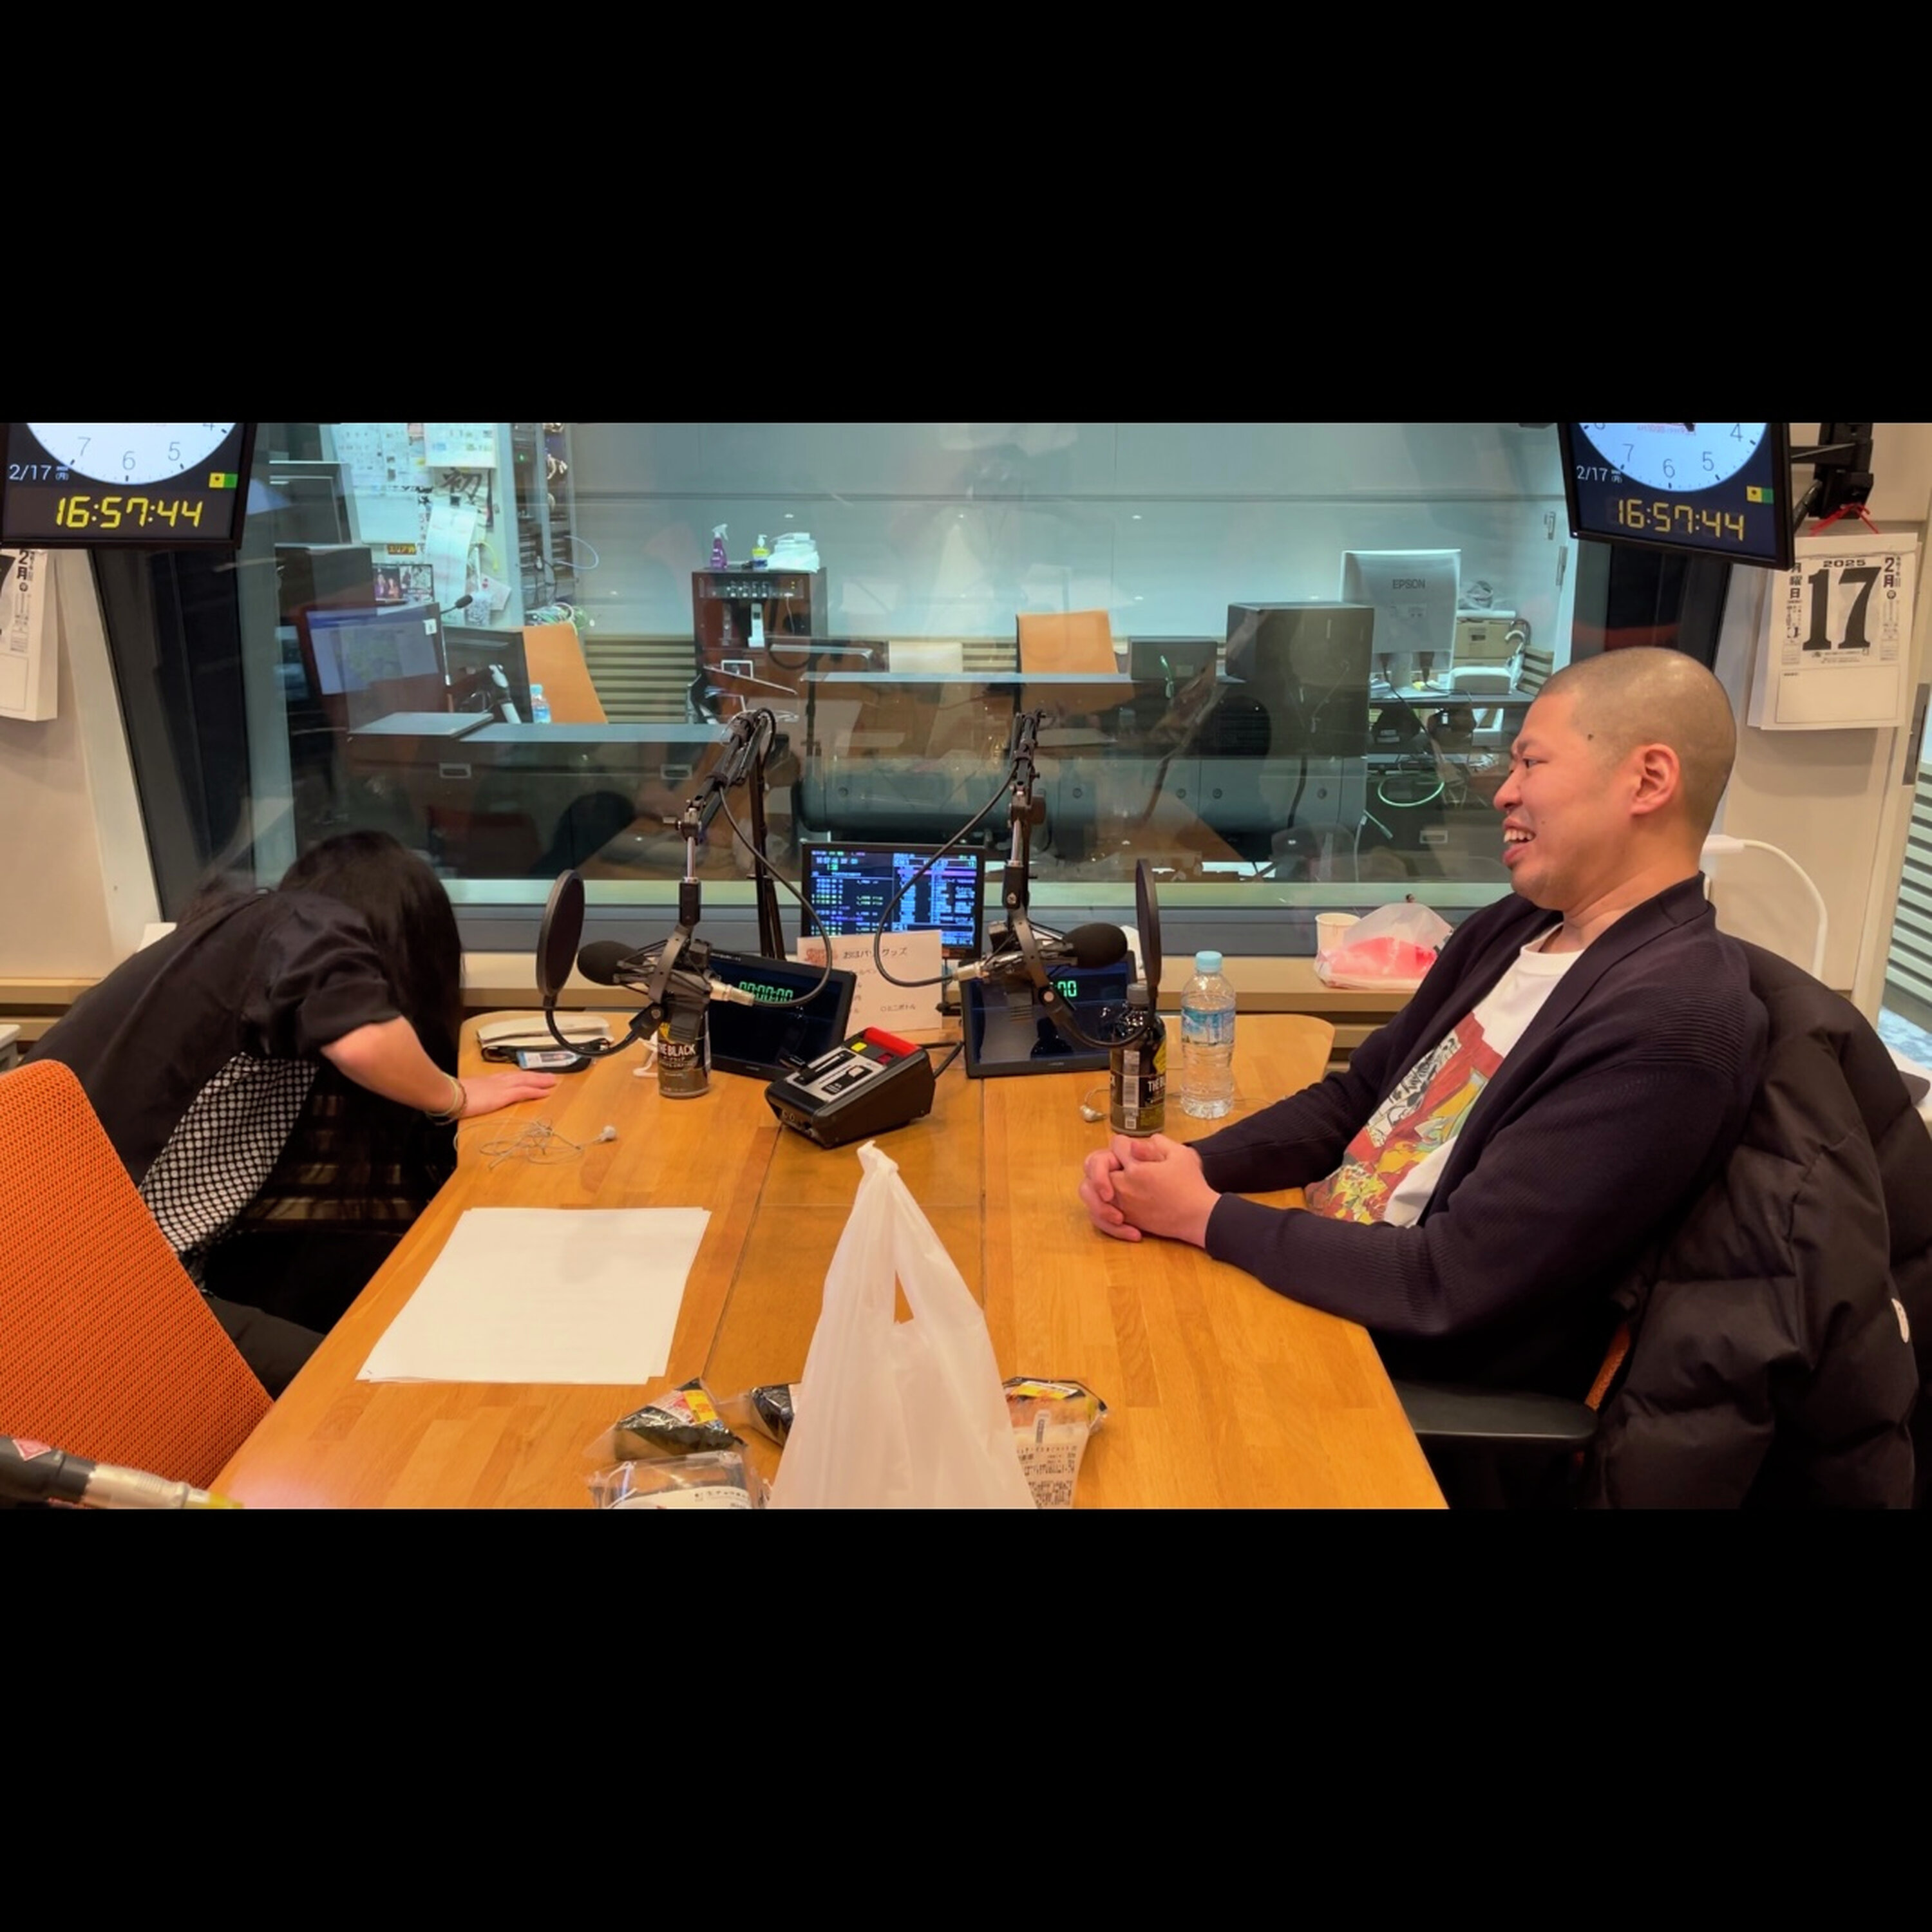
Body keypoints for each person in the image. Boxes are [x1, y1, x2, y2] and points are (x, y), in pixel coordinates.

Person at [1079, 645, 1770, 1408]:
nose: (1503, 791)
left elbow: (1447, 1282)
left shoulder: (1672, 1023)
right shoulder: (1519, 926)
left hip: (1393, 1372)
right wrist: (1186, 1166)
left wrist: (1205, 1216)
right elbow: (1361, 1099)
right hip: (1327, 1275)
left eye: (1532, 763)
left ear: (1649, 780)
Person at [26, 830, 557, 1394]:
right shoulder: (301, 923)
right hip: (81, 1292)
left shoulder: (238, 956)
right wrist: (457, 1096)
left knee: (418, 1271)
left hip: (140, 1263)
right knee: (362, 1393)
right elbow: (363, 1043)